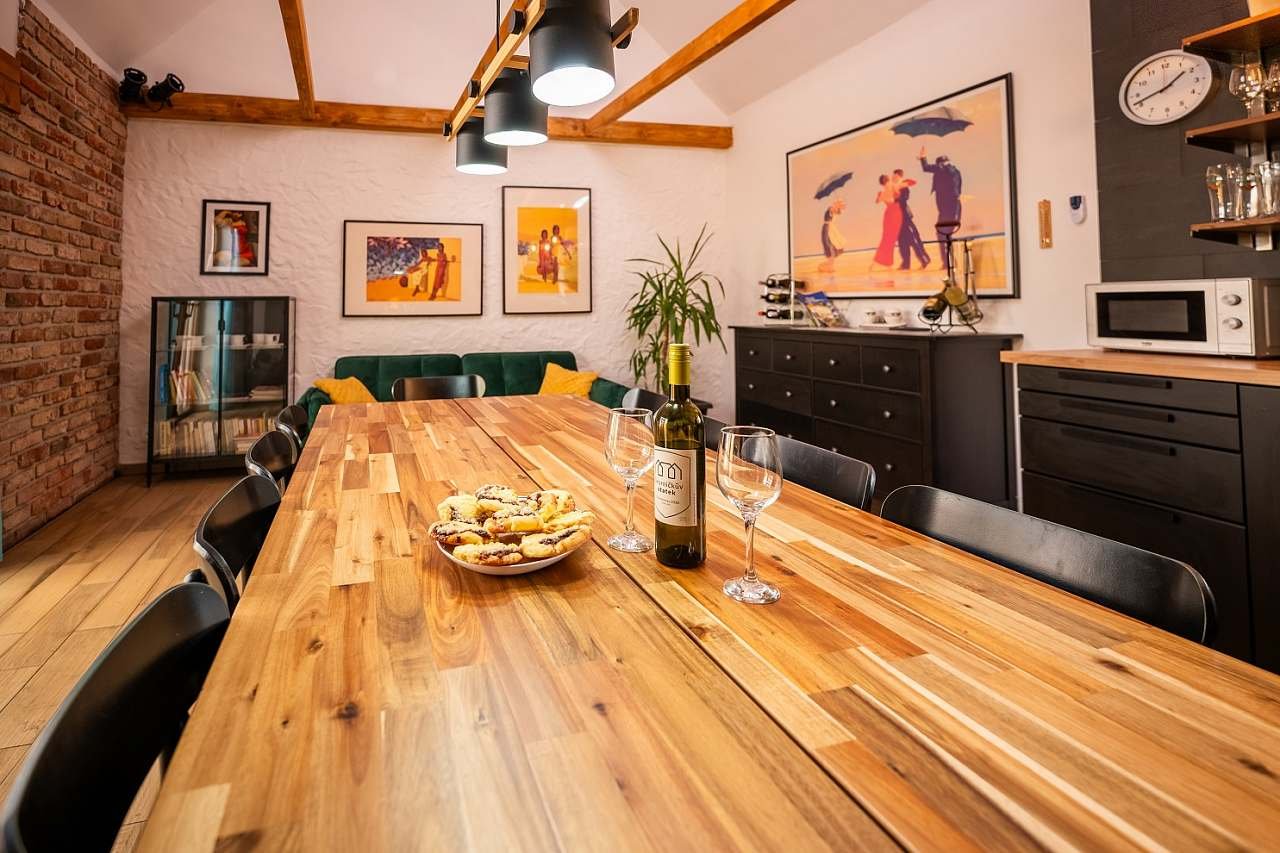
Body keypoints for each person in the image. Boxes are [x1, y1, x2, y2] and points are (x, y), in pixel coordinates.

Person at [920, 147, 963, 278]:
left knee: (944, 236)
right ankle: (949, 263)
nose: (937, 168)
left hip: (950, 210)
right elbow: (958, 190)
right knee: (944, 236)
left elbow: (926, 168)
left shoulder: (947, 170)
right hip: (949, 210)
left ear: (941, 163)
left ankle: (949, 264)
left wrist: (923, 158)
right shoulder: (953, 171)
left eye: (939, 164)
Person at [893, 168, 929, 270]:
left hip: (905, 218)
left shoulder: (903, 186)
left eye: (895, 176)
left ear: (899, 176)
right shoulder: (895, 187)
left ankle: (924, 259)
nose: (893, 177)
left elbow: (904, 198)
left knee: (913, 239)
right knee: (902, 241)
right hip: (899, 218)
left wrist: (896, 197)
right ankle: (906, 263)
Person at [871, 174, 903, 270]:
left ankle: (882, 263)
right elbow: (897, 195)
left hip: (890, 214)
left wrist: (879, 196)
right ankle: (886, 263)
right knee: (890, 239)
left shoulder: (883, 191)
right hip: (895, 213)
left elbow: (877, 201)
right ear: (885, 180)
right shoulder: (892, 185)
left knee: (887, 238)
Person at [817, 197, 846, 273]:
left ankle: (824, 266)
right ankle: (828, 267)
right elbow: (833, 209)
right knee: (830, 248)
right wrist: (838, 204)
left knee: (834, 248)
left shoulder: (835, 211)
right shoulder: (830, 209)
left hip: (831, 229)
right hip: (827, 230)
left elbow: (839, 212)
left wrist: (840, 206)